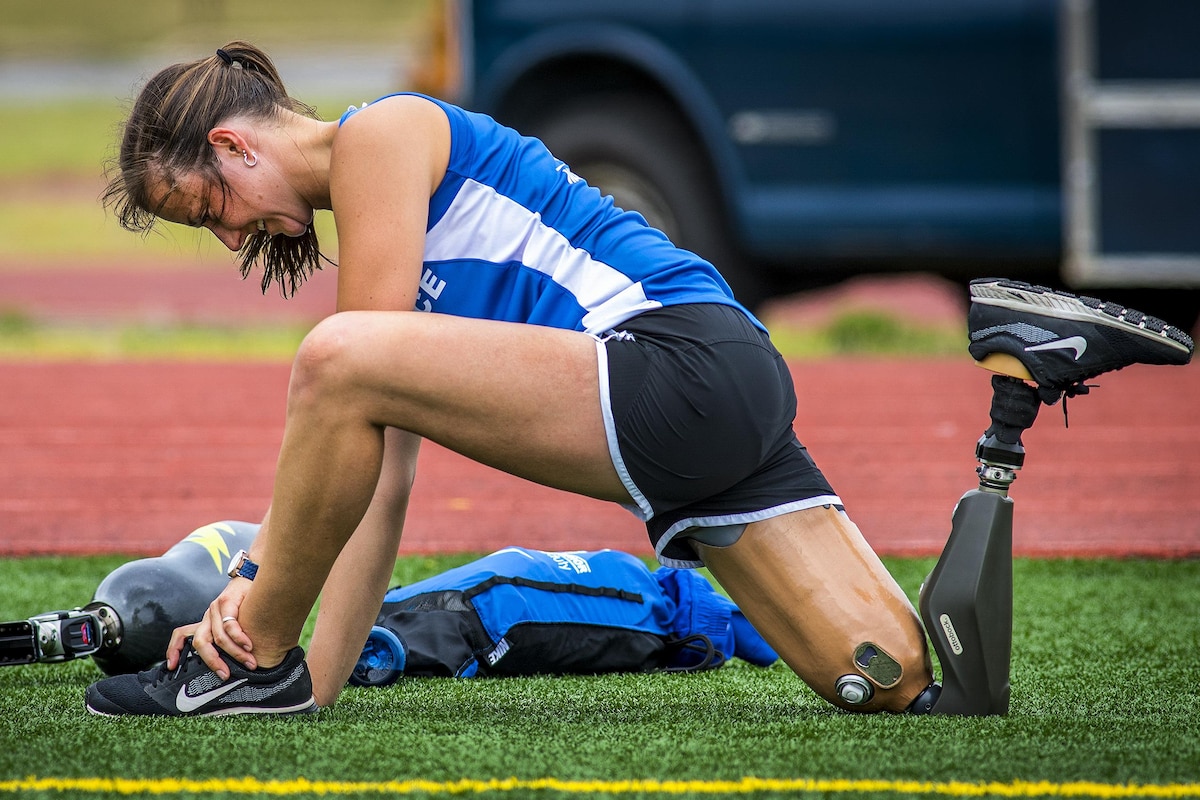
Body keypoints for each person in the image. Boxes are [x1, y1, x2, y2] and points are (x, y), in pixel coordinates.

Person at [84, 42, 1193, 718]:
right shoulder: (388, 206)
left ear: (233, 146)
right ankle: (1015, 388)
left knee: (331, 360)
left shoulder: (382, 136)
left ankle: (249, 670)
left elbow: (353, 379)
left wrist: (262, 605)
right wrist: (317, 687)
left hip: (671, 366)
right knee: (902, 676)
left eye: (209, 210)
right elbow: (382, 462)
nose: (231, 238)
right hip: (722, 382)